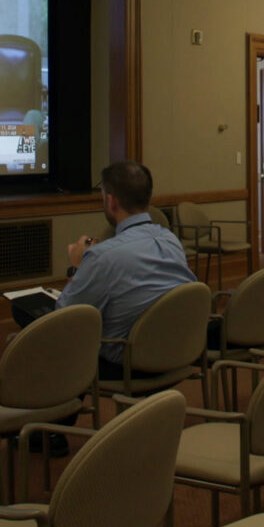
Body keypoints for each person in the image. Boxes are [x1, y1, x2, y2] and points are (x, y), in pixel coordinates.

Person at [52, 161, 195, 380]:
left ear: (111, 202)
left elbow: (66, 318)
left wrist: (77, 267)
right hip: (178, 351)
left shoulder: (102, 257)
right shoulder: (170, 239)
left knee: (41, 324)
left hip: (128, 364)